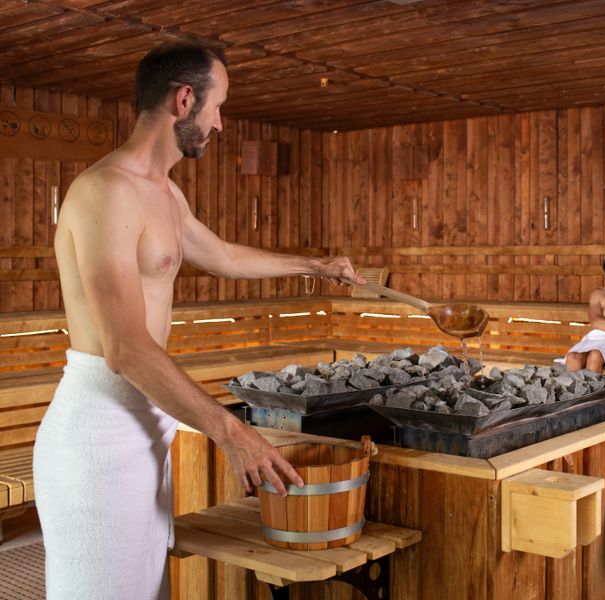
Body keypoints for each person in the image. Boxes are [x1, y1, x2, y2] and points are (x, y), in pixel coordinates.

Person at [32, 40, 366, 600]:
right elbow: (125, 349)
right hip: (98, 439)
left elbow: (226, 257)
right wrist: (232, 433)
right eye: (218, 107)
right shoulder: (104, 192)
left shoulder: (165, 194)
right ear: (185, 100)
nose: (220, 124)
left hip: (145, 427)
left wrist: (318, 266)